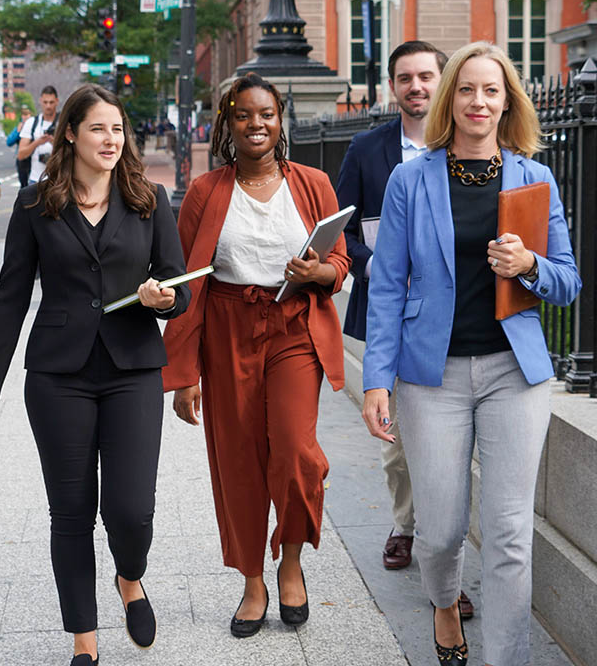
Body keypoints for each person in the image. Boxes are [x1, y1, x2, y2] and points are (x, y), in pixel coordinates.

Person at [362, 42, 581, 666]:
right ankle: (443, 605)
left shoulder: (535, 178)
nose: (478, 101)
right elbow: (387, 285)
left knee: (509, 533)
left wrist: (529, 264)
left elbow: (568, 281)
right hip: (431, 378)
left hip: (515, 374)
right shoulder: (411, 180)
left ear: (507, 102)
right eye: (466, 88)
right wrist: (376, 379)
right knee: (440, 533)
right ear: (449, 99)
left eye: (491, 90)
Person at [0, 83, 190, 666]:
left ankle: (130, 576)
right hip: (58, 375)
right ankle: (84, 640)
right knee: (71, 512)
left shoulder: (150, 199)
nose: (111, 139)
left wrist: (163, 299)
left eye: (118, 129)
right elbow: (9, 298)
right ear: (71, 134)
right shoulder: (34, 205)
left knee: (130, 510)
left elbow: (177, 285)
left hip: (133, 369)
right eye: (98, 129)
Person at [163, 72, 350, 638]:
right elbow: (187, 284)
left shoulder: (314, 184)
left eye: (266, 114)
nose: (256, 124)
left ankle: (290, 561)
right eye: (243, 115)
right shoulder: (205, 191)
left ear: (280, 120)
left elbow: (339, 265)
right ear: (228, 123)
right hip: (227, 329)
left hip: (293, 326)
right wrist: (185, 373)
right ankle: (252, 580)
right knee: (238, 460)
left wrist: (318, 271)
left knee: (294, 451)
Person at [337, 41, 465, 579]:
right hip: (387, 312)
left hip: (454, 317)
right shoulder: (367, 149)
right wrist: (377, 266)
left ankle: (442, 554)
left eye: (426, 76)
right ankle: (405, 524)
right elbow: (342, 227)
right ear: (393, 87)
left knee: (447, 442)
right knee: (397, 441)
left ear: (443, 81)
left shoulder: (468, 147)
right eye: (405, 78)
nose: (416, 87)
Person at [18, 85, 59, 183]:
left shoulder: (62, 123)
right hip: (35, 179)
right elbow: (21, 155)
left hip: (58, 181)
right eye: (45, 102)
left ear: (57, 101)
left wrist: (53, 142)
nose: (48, 106)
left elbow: (73, 153)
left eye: (51, 102)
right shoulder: (31, 123)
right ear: (40, 101)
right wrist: (38, 142)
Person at [6, 104, 33, 187]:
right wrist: (18, 132)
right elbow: (9, 142)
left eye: (27, 114)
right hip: (22, 158)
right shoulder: (19, 127)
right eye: (24, 114)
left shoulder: (34, 127)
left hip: (33, 157)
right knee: (23, 184)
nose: (25, 117)